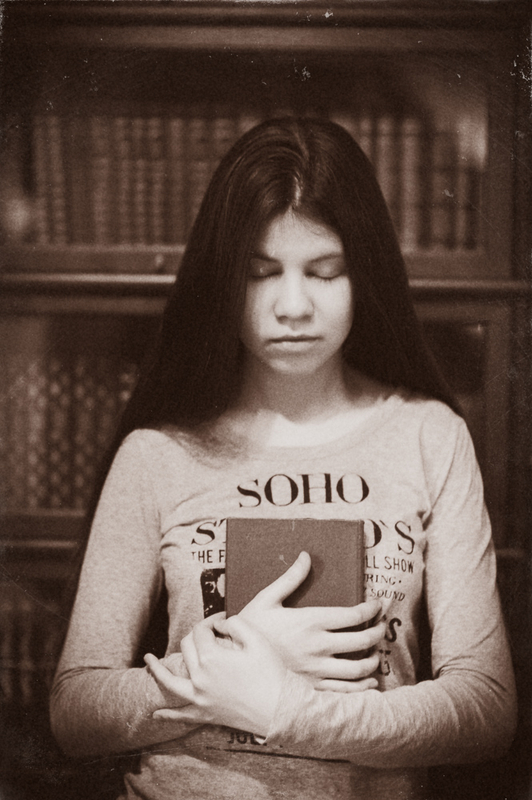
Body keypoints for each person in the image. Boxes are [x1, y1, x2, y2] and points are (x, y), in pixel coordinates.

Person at [50, 118, 516, 800]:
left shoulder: (429, 436)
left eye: (325, 272)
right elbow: (75, 710)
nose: (293, 306)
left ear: (365, 276)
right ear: (222, 281)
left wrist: (283, 708)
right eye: (260, 273)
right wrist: (235, 656)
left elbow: (485, 707)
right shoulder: (157, 453)